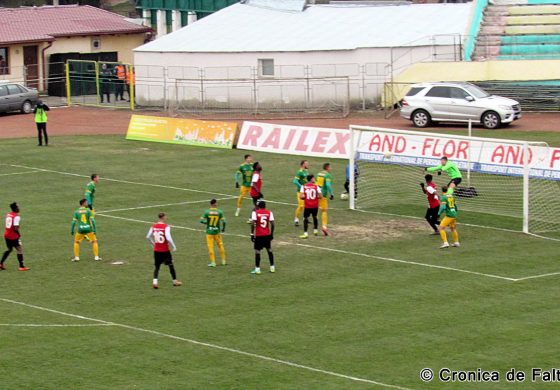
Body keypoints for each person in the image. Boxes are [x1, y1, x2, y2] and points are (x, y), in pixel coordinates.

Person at [146, 212, 182, 289]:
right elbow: (168, 238)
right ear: (163, 217)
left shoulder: (154, 226)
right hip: (165, 250)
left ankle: (155, 282)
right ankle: (175, 281)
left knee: (157, 267)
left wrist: (153, 243)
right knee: (171, 265)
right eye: (165, 216)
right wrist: (174, 246)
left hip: (156, 250)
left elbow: (148, 236)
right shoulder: (166, 226)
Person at [0, 202, 29, 271]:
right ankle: (21, 266)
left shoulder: (8, 214)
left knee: (9, 249)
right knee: (19, 249)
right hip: (13, 236)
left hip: (6, 235)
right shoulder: (16, 217)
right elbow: (15, 228)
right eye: (18, 207)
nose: (19, 208)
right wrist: (18, 234)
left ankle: (1, 263)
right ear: (15, 208)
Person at [199, 199, 227, 267]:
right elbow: (224, 222)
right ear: (214, 204)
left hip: (209, 232)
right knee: (220, 245)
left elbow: (201, 220)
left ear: (210, 204)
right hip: (217, 232)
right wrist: (223, 228)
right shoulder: (220, 212)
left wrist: (206, 223)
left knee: (210, 247)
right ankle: (223, 261)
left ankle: (213, 262)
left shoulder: (207, 212)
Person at [250, 200, 275, 275]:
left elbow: (252, 223)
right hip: (267, 234)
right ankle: (272, 267)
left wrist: (251, 234)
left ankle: (257, 269)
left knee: (257, 251)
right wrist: (271, 233)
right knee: (269, 250)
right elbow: (273, 224)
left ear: (258, 206)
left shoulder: (255, 213)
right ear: (265, 206)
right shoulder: (269, 212)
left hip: (259, 235)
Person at [299, 174, 323, 239]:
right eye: (314, 178)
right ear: (311, 179)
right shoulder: (316, 186)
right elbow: (321, 196)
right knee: (315, 217)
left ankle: (305, 233)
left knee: (305, 218)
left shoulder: (303, 186)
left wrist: (305, 197)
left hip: (307, 206)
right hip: (315, 205)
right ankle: (315, 230)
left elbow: (301, 196)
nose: (314, 179)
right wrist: (315, 197)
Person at [316, 163, 334, 236]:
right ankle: (324, 227)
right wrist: (331, 193)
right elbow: (328, 185)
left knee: (316, 209)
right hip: (323, 194)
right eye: (330, 167)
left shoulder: (319, 174)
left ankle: (315, 224)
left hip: (316, 193)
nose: (331, 168)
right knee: (324, 211)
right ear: (327, 167)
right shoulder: (328, 175)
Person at [292, 160, 309, 226]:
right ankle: (296, 219)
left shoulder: (306, 171)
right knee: (301, 205)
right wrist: (301, 187)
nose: (308, 165)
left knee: (308, 205)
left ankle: (306, 218)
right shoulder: (299, 172)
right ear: (303, 165)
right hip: (300, 192)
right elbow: (295, 181)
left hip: (307, 191)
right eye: (306, 164)